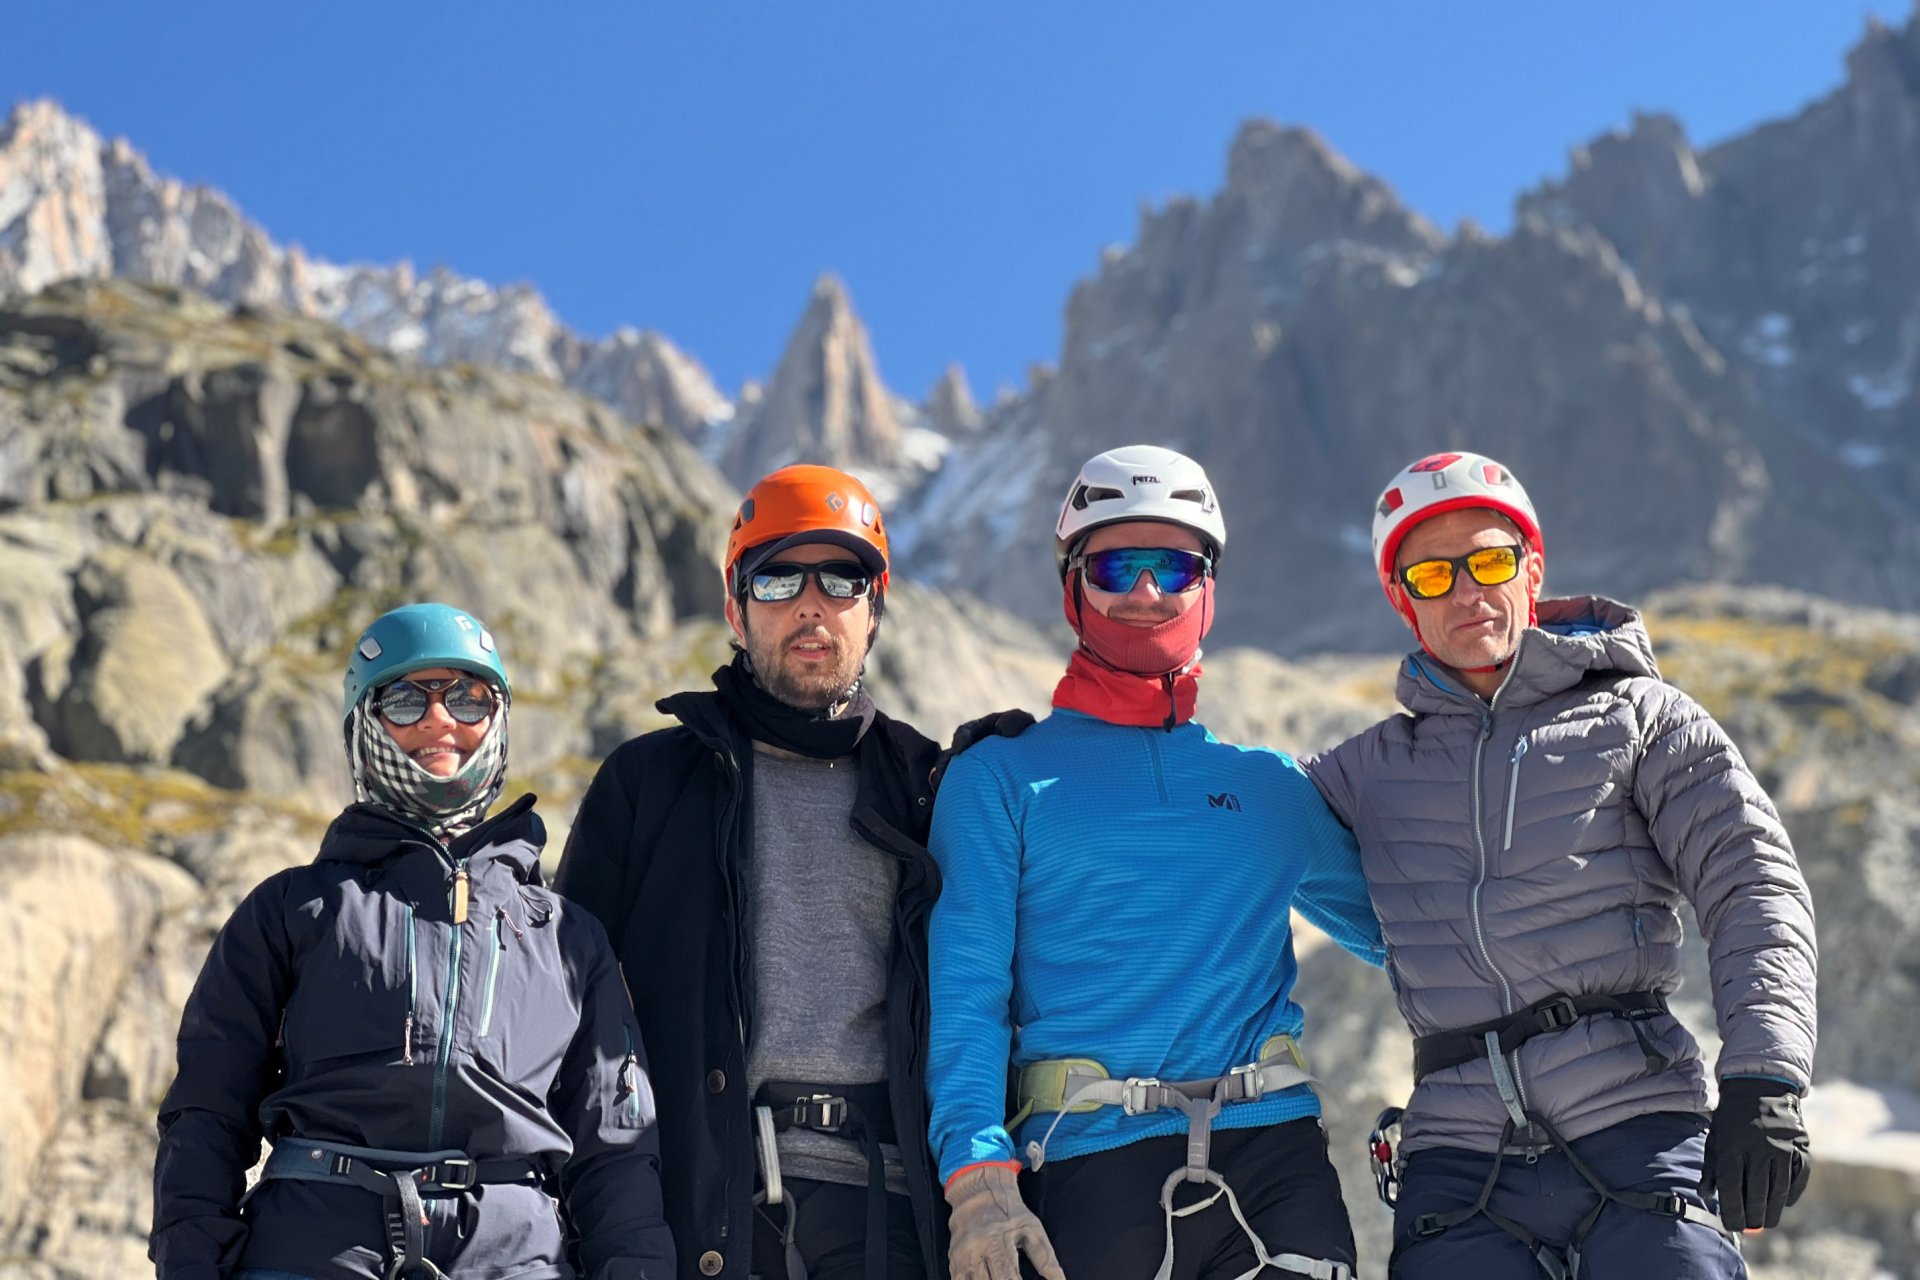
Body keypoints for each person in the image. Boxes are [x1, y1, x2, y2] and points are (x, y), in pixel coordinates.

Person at [1306, 450, 1817, 1279]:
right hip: (1458, 1162)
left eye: (1492, 561)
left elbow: (1751, 883)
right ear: (1403, 601)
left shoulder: (1642, 715)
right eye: (1434, 574)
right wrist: (1023, 746)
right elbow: (1215, 814)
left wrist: (1767, 1076)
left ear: (1532, 568)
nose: (1469, 591)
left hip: (1640, 1126)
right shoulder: (1363, 771)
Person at [926, 444, 1386, 1280]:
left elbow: (1415, 939)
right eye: (1115, 566)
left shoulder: (1271, 788)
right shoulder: (996, 778)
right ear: (1073, 585)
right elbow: (966, 997)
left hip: (1277, 1155)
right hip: (1086, 1164)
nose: (1144, 593)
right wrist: (975, 1181)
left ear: (1208, 586)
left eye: (1172, 568)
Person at [151, 602, 673, 1280]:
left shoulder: (567, 937)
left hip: (514, 1256)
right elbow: (205, 1116)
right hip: (317, 1248)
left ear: (499, 719)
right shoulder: (290, 910)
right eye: (403, 699)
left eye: (468, 696)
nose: (439, 719)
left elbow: (617, 1152)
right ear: (364, 728)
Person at [555, 464, 961, 1280]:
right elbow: (566, 1016)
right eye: (777, 578)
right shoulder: (649, 785)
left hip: (889, 1216)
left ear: (873, 609)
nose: (811, 604)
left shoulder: (932, 788)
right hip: (697, 1205)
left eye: (841, 578)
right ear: (737, 610)